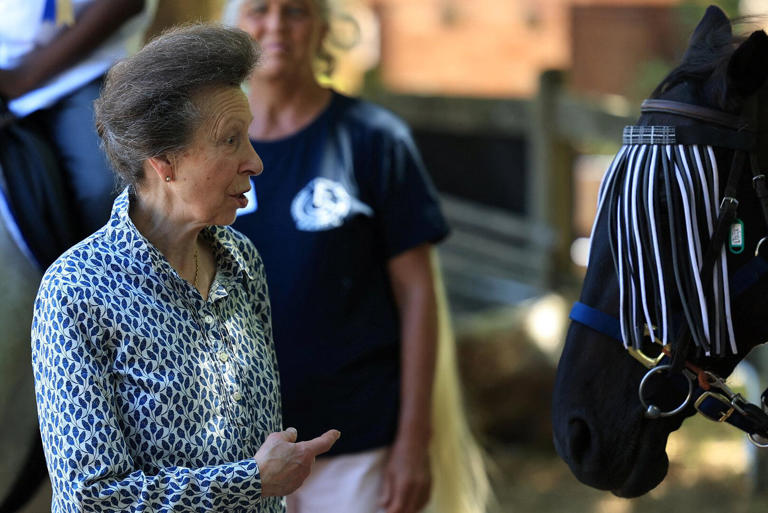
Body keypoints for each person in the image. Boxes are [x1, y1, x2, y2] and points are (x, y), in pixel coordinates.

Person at [31, 24, 339, 513]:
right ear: (164, 161)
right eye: (231, 140)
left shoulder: (242, 261)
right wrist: (252, 481)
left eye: (248, 137)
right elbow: (91, 496)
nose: (255, 162)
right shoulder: (75, 289)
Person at [223, 2, 490, 513]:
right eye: (258, 8)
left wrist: (414, 441)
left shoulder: (375, 139)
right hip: (235, 453)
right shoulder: (206, 148)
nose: (275, 24)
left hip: (357, 447)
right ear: (233, 24)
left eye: (295, 11)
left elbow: (418, 294)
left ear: (324, 28)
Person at [0, 0, 157, 241]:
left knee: (105, 184)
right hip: (6, 75)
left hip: (81, 72)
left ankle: (112, 258)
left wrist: (25, 77)